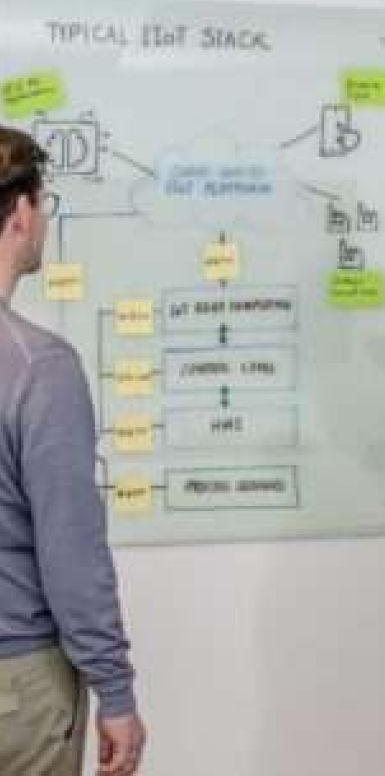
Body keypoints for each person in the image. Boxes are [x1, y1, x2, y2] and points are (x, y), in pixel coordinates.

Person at [0, 125, 145, 775]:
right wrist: (115, 689)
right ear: (22, 211)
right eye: (44, 202)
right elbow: (70, 554)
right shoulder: (40, 368)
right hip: (18, 691)